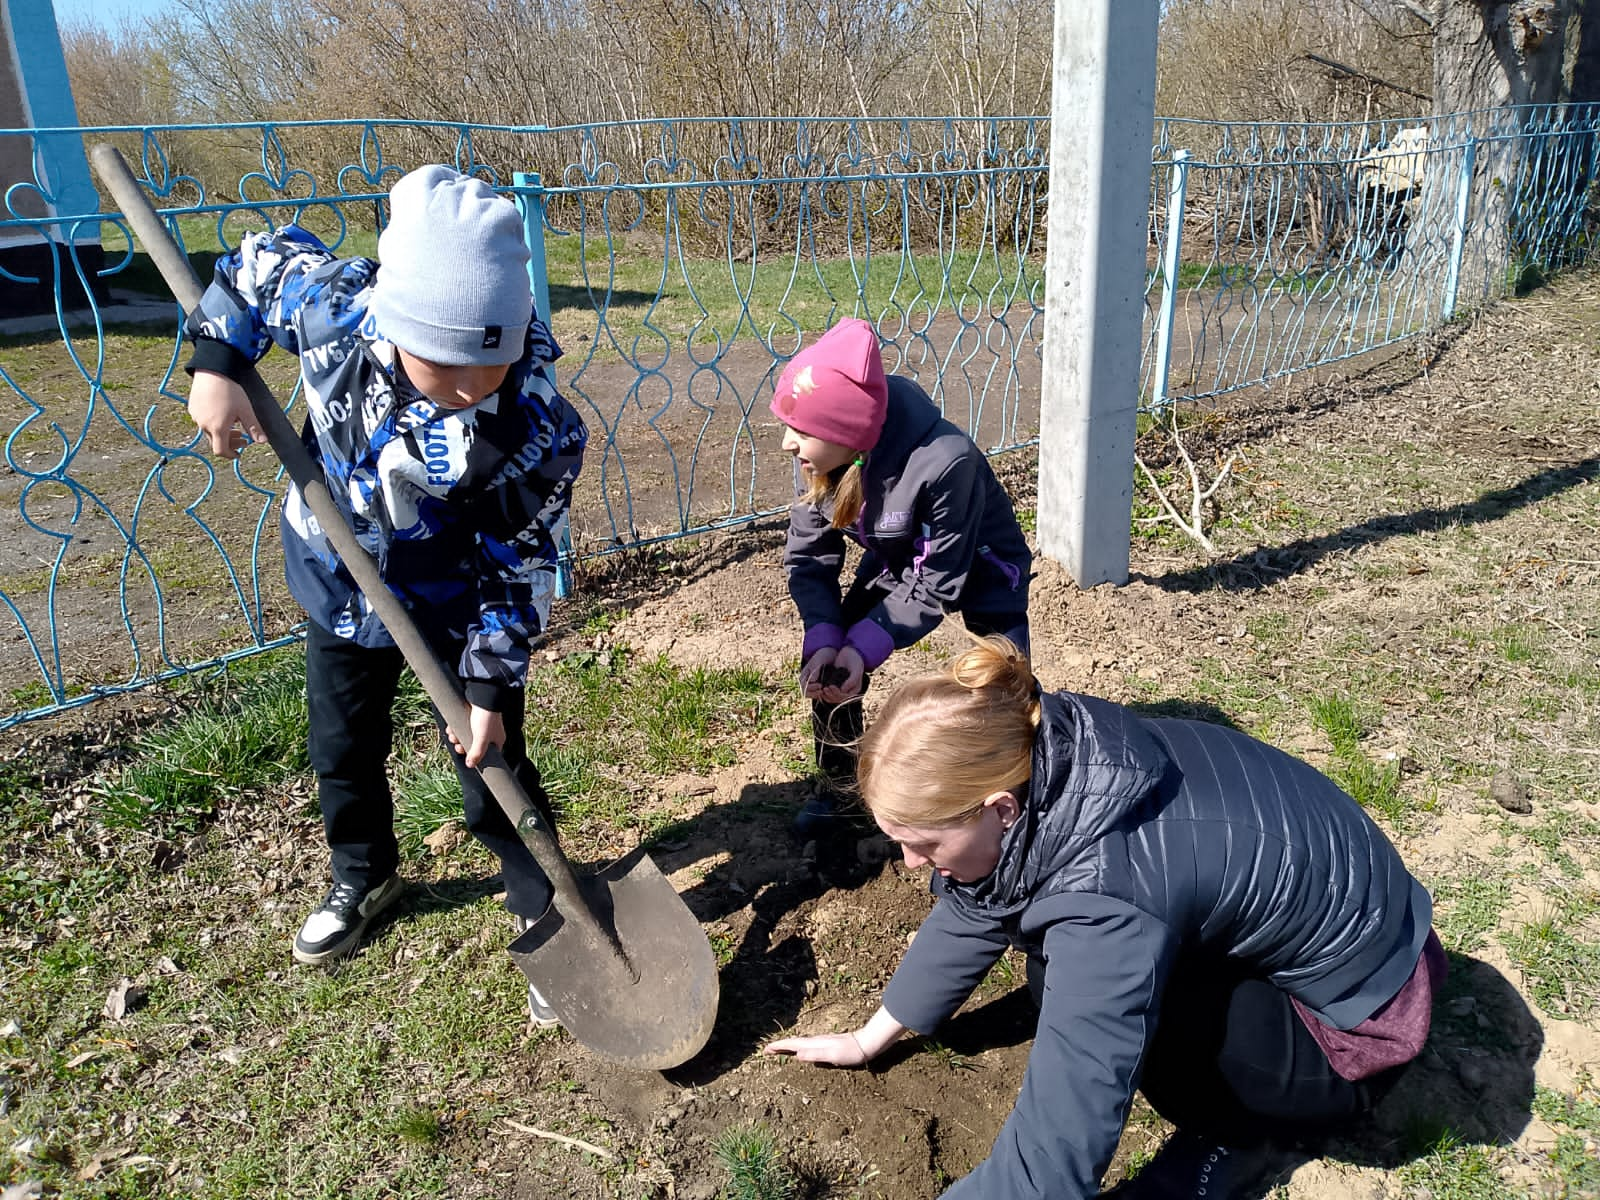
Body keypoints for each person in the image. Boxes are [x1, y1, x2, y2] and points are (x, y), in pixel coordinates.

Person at [765, 638, 1446, 1199]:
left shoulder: (1107, 896)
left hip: (1355, 1036)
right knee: (1048, 955)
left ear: (1000, 809)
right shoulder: (1051, 747)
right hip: (1368, 941)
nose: (911, 864)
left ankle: (1240, 1136)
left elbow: (1063, 1136)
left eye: (924, 843)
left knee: (1085, 989)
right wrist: (871, 1037)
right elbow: (985, 897)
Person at [182, 165, 588, 1027]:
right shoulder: (334, 305)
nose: (476, 386)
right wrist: (219, 362)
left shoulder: (538, 422)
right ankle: (365, 875)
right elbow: (253, 267)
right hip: (340, 580)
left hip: (457, 600)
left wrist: (484, 686)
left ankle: (545, 910)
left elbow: (520, 561)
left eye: (495, 360)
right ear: (394, 324)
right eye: (447, 368)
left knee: (492, 761)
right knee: (341, 745)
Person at [771, 318, 1031, 834]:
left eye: (801, 431)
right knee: (833, 663)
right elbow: (809, 557)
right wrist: (829, 639)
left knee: (1006, 688)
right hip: (896, 559)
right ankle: (840, 788)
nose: (786, 443)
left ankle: (1019, 799)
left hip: (981, 567)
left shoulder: (944, 462)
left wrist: (871, 644)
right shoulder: (827, 457)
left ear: (846, 431)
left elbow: (938, 578)